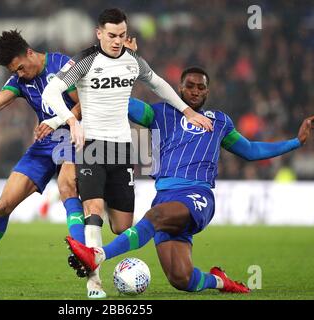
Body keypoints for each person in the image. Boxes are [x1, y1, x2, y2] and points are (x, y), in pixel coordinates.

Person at [65, 66, 314, 294]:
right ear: (179, 88)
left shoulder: (219, 122)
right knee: (182, 279)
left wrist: (296, 142)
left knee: (154, 217)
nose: (195, 91)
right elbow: (122, 103)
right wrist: (88, 83)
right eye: (190, 86)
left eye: (201, 87)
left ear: (207, 91)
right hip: (164, 195)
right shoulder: (158, 113)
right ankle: (220, 281)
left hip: (196, 195)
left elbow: (251, 151)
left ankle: (97, 255)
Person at [42, 8, 213, 298]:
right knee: (93, 211)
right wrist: (70, 121)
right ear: (99, 34)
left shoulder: (132, 61)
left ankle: (93, 217)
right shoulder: (86, 60)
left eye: (122, 35)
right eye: (111, 35)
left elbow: (158, 83)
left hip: (122, 151)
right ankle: (94, 284)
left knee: (122, 226)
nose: (117, 41)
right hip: (92, 146)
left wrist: (187, 111)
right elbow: (50, 92)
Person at [0, 29, 85, 293]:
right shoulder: (19, 79)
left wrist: (56, 122)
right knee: (4, 204)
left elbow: (84, 104)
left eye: (19, 68)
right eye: (13, 71)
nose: (19, 74)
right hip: (44, 144)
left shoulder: (62, 65)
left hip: (72, 137)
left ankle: (82, 255)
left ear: (29, 53)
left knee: (66, 187)